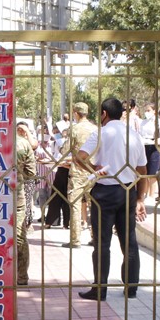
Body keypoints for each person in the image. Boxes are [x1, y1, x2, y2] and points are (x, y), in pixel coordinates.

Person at [74, 97, 147, 300]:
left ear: (104, 114)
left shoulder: (101, 133)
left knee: (102, 243)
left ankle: (100, 289)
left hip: (105, 193)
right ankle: (131, 288)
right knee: (129, 241)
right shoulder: (134, 135)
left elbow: (79, 157)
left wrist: (93, 169)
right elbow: (143, 171)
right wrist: (140, 198)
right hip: (128, 191)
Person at [64, 102, 97, 248]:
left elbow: (65, 149)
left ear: (76, 113)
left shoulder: (74, 129)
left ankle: (75, 240)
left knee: (75, 205)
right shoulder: (95, 129)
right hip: (93, 171)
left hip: (77, 171)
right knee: (93, 205)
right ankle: (95, 237)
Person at [14, 121, 37, 285]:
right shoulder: (23, 143)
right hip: (17, 193)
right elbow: (31, 173)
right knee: (19, 234)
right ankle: (21, 275)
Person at [139, 103, 160, 204]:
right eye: (146, 110)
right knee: (144, 171)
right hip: (144, 145)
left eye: (149, 110)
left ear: (154, 111)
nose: (147, 112)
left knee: (153, 172)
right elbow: (139, 133)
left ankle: (152, 194)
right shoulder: (143, 122)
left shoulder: (159, 122)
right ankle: (144, 193)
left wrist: (158, 141)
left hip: (154, 146)